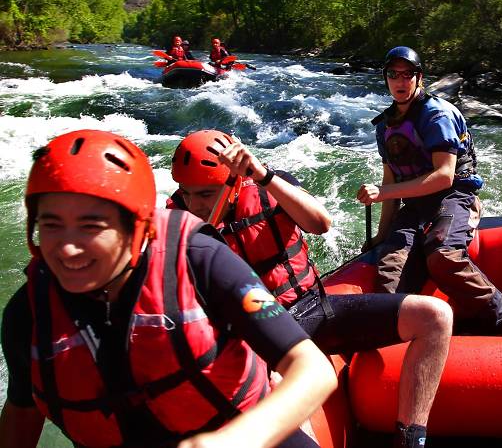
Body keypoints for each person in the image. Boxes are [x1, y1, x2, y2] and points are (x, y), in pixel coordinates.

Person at [0, 129, 336, 448]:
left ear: (137, 227)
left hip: (237, 428)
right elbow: (21, 412)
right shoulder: (28, 312)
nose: (68, 248)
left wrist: (234, 439)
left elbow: (313, 369)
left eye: (91, 226)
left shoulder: (198, 257)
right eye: (51, 224)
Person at [170, 130, 453, 448]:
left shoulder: (269, 187)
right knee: (282, 388)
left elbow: (321, 223)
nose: (195, 205)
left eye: (206, 195)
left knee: (435, 315)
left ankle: (410, 440)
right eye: (187, 193)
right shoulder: (180, 224)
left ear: (233, 182)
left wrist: (264, 176)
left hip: (314, 307)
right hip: (261, 334)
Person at [356, 46, 502, 336]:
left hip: (454, 195)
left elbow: (443, 177)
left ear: (419, 78)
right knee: (389, 273)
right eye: (393, 74)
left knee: (442, 255)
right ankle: (404, 337)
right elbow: (390, 185)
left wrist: (382, 191)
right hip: (416, 204)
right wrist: (380, 237)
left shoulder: (436, 115)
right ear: (386, 78)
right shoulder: (386, 126)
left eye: (408, 75)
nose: (400, 81)